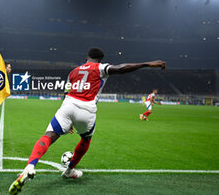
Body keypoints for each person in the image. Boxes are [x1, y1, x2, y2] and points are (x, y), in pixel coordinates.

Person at [9, 47, 165, 195]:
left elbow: (66, 92)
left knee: (49, 135)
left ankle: (30, 166)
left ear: (86, 58)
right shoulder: (100, 68)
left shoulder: (73, 71)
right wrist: (147, 64)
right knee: (85, 140)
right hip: (87, 109)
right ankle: (69, 171)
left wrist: (68, 120)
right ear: (100, 59)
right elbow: (120, 68)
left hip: (67, 106)